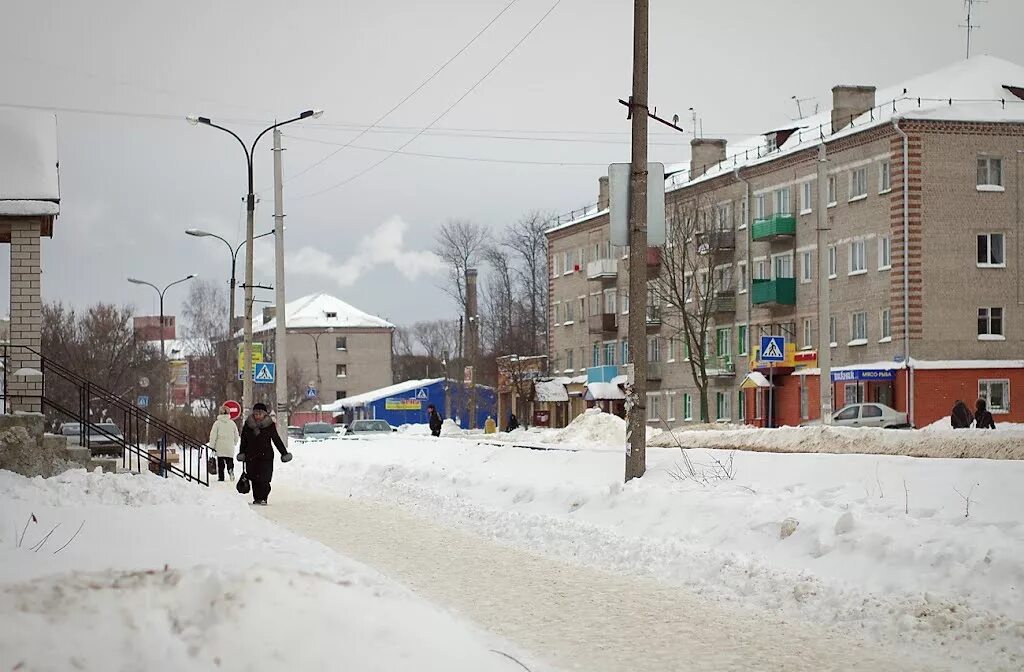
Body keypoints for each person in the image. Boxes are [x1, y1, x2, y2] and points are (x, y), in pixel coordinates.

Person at [237, 402, 292, 505]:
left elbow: (276, 439)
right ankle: (257, 498)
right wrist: (242, 453)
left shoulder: (269, 425)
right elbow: (243, 440)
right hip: (251, 455)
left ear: (264, 414)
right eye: (256, 414)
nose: (258, 416)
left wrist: (283, 453)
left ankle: (264, 497)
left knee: (264, 479)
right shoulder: (248, 424)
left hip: (265, 455)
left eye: (260, 413)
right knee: (254, 478)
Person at [209, 404, 240, 482]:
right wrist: (235, 442)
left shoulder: (217, 423)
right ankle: (230, 470)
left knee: (221, 463)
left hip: (220, 447)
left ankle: (221, 477)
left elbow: (213, 436)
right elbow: (236, 434)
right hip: (229, 446)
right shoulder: (232, 423)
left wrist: (211, 446)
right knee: (229, 460)